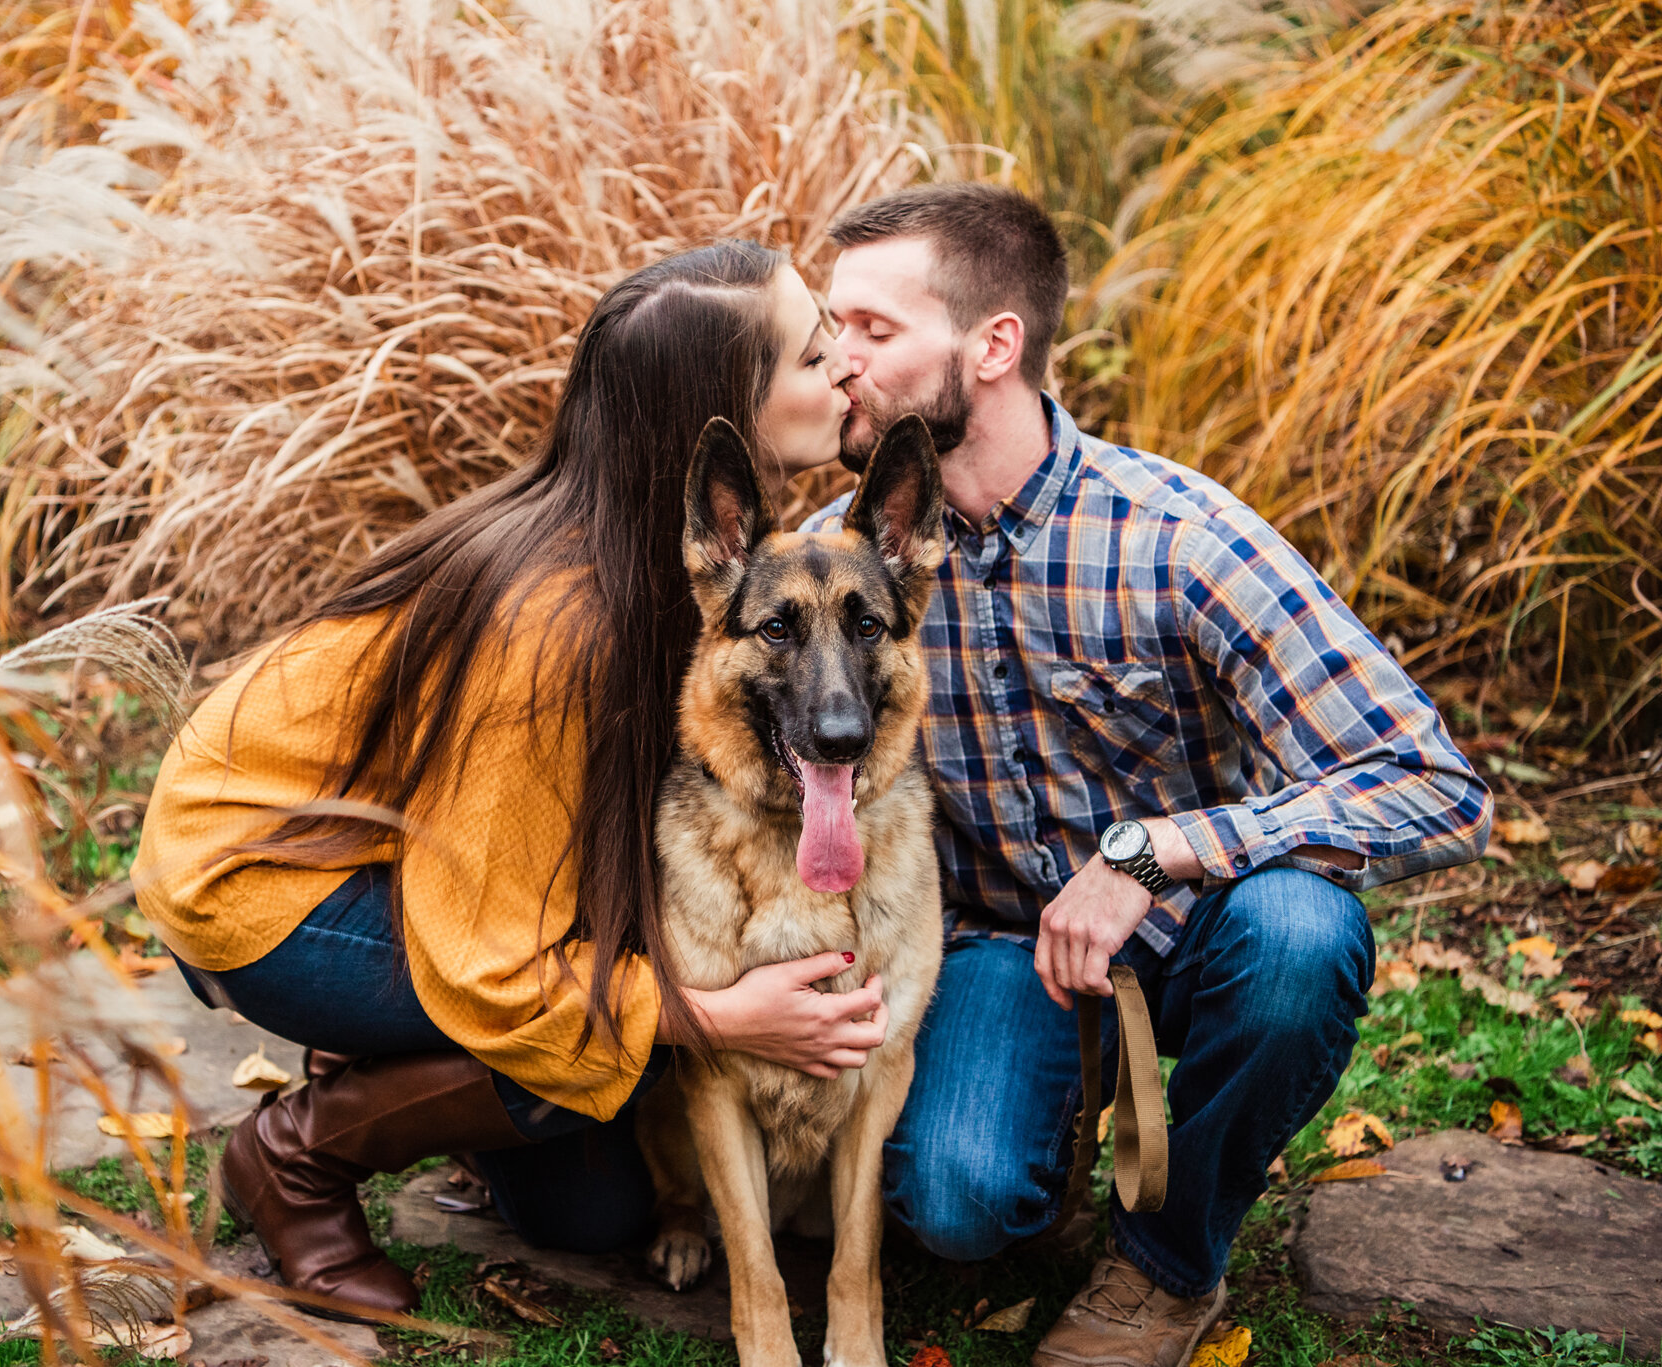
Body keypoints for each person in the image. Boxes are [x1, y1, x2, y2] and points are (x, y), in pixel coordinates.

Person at [131, 239, 882, 1323]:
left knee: (590, 1212)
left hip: (413, 851)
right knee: (562, 1044)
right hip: (264, 878)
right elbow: (497, 967)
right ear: (722, 409)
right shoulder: (557, 621)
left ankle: (392, 1057)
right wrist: (715, 1015)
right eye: (813, 358)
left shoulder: (685, 553)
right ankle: (291, 1160)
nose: (843, 373)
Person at [806, 184, 1491, 1367]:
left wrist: (1152, 850)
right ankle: (1050, 1124)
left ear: (993, 343)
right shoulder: (839, 560)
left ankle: (1166, 1261)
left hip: (1181, 932)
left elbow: (1433, 781)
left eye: (873, 331)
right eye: (830, 329)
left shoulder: (1177, 533)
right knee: (960, 1209)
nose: (838, 364)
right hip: (990, 947)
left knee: (1296, 936)